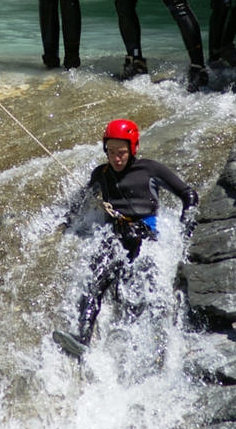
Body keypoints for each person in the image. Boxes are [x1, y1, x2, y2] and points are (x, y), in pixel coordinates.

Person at [52, 119, 198, 357]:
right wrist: (67, 219)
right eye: (110, 152)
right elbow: (82, 199)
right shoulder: (101, 174)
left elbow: (188, 195)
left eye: (121, 153)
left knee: (143, 296)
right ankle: (82, 338)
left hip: (145, 236)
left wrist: (186, 228)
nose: (116, 158)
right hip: (115, 237)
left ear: (133, 149)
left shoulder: (150, 170)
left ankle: (156, 348)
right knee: (94, 280)